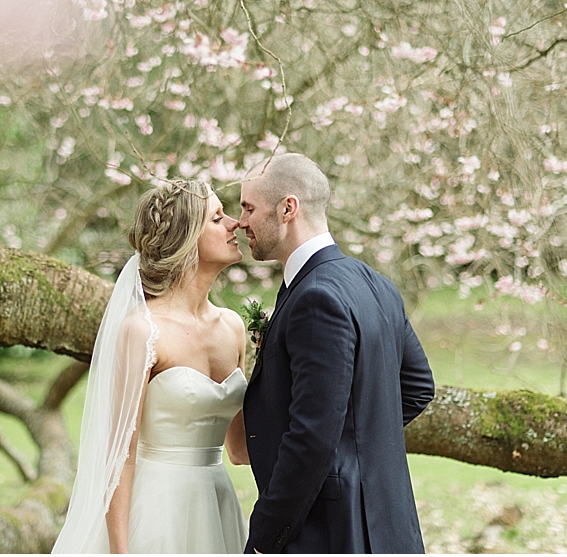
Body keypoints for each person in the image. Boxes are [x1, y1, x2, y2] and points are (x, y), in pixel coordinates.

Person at [236, 153, 435, 554]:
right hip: (389, 527)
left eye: (249, 208)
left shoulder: (315, 298)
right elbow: (417, 387)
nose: (241, 222)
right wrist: (360, 442)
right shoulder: (375, 283)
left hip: (331, 532)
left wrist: (265, 538)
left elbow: (312, 437)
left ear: (288, 208)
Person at [53, 180, 250, 554]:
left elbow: (239, 450)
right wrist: (120, 551)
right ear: (186, 239)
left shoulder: (233, 328)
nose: (234, 224)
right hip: (158, 510)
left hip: (218, 505)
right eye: (217, 218)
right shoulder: (142, 330)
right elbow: (119, 458)